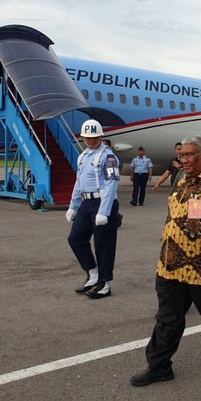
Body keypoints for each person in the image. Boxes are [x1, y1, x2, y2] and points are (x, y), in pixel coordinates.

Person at [130, 136, 201, 387]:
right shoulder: (181, 181)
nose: (183, 160)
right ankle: (159, 366)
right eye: (181, 155)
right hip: (171, 265)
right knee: (167, 318)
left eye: (189, 155)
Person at [66, 119, 120, 300]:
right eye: (87, 137)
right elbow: (78, 182)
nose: (91, 140)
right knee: (75, 239)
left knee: (103, 245)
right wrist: (73, 206)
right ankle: (93, 274)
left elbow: (111, 183)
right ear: (82, 138)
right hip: (86, 203)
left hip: (104, 202)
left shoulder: (108, 157)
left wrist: (104, 211)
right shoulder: (83, 156)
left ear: (100, 136)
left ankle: (104, 284)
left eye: (94, 137)